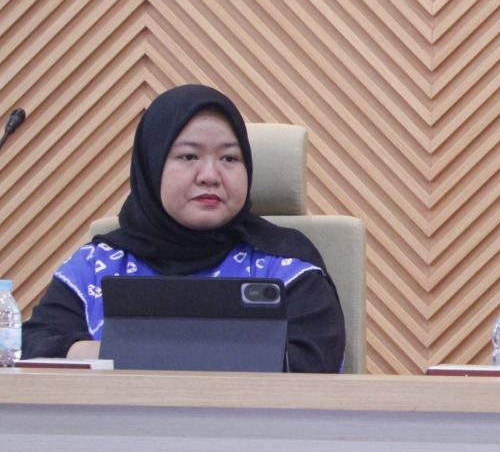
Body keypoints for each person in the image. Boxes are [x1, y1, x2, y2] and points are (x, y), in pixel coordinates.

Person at [22, 84, 346, 373]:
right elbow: (33, 346)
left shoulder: (286, 264)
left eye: (229, 158)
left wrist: (131, 355)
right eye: (189, 156)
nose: (210, 175)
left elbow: (315, 363)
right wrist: (114, 353)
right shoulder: (97, 265)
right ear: (151, 165)